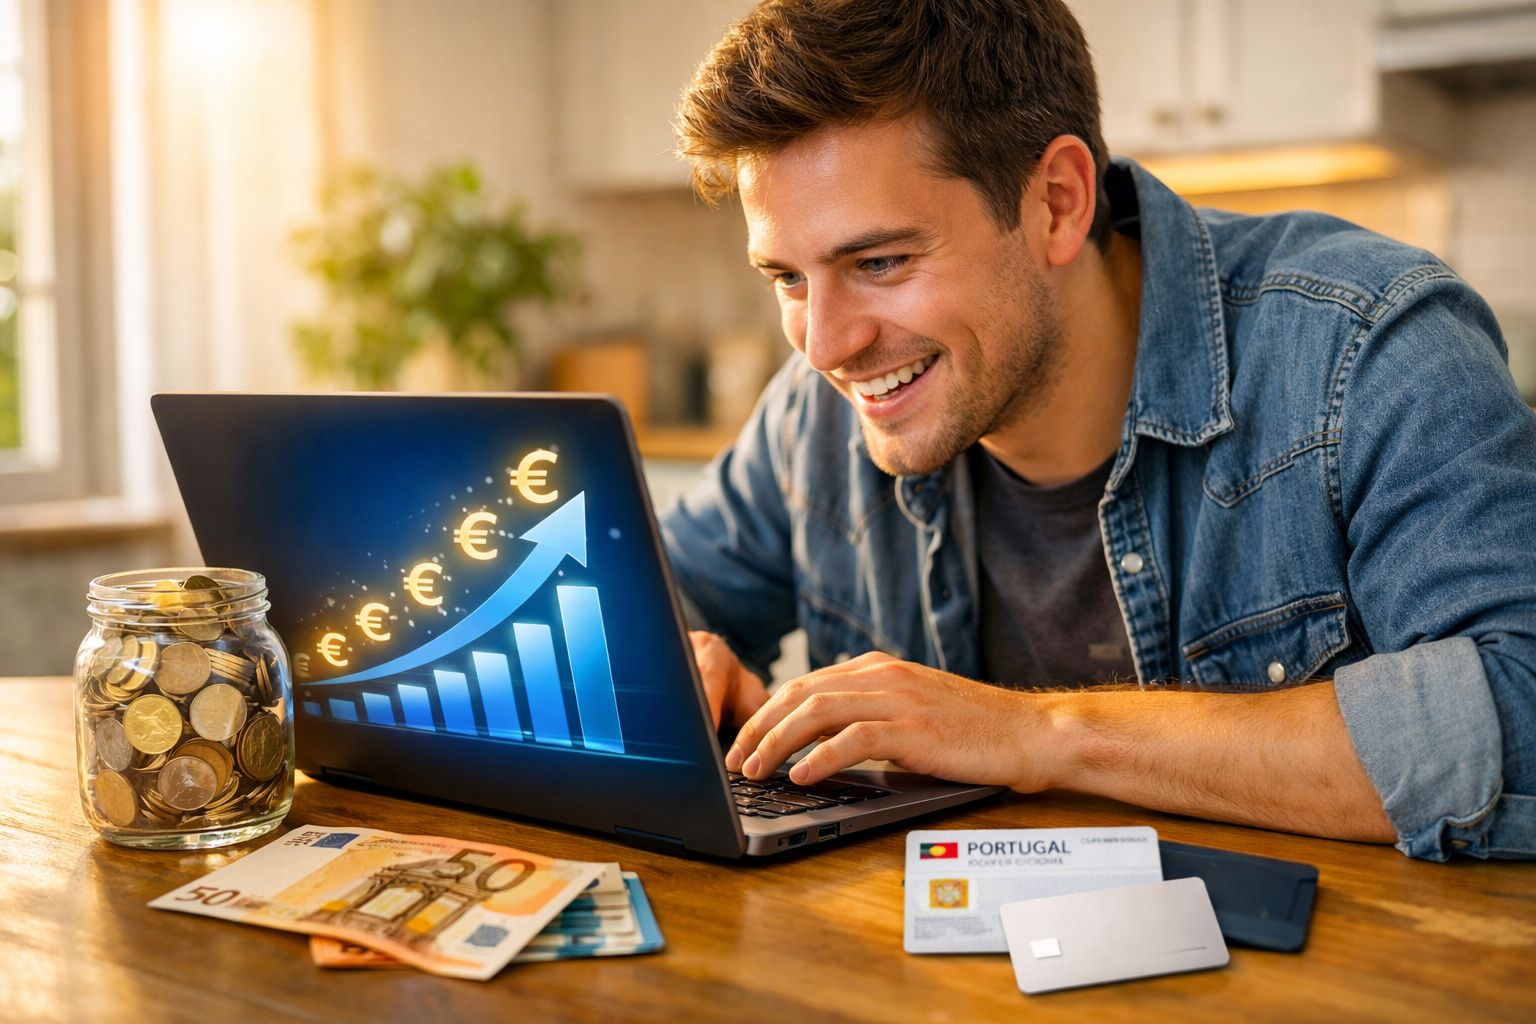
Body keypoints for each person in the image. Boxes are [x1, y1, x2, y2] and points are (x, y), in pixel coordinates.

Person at [659, 0, 1536, 862]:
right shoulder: (816, 411)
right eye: (787, 277)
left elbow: (1519, 705)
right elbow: (665, 594)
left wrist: (1046, 732)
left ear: (1058, 202)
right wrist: (669, 662)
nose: (826, 345)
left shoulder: (1369, 347)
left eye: (880, 262)